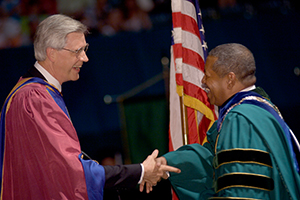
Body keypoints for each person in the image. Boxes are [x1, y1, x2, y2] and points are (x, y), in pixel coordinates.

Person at [0, 14, 180, 200]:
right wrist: (141, 171)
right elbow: (72, 172)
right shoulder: (35, 98)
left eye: (85, 49)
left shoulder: (32, 92)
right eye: (77, 51)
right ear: (51, 53)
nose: (85, 58)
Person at [156, 43, 300, 199]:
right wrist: (166, 163)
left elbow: (243, 190)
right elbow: (212, 157)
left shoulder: (240, 120)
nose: (203, 81)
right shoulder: (257, 108)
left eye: (208, 75)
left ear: (230, 79)